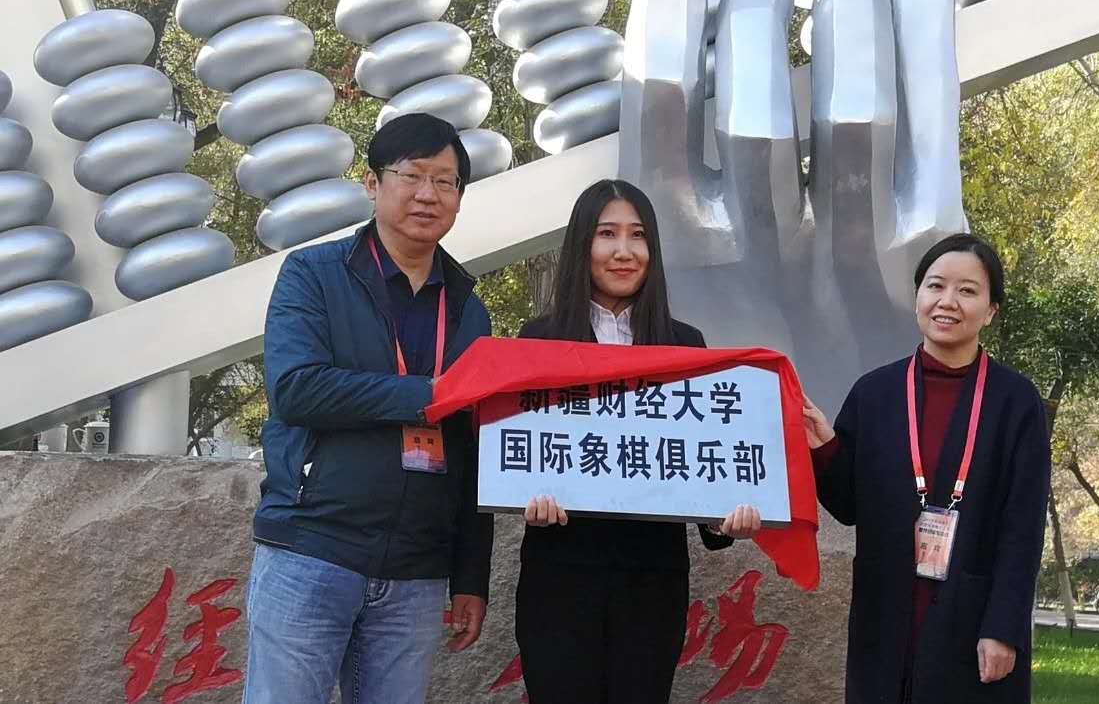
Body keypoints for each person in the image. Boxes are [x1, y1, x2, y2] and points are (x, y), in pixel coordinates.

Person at [244, 113, 494, 704]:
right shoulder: (313, 274)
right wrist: (429, 394)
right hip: (313, 548)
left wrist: (470, 576)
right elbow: (296, 388)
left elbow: (473, 446)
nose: (428, 194)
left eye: (446, 181)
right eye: (412, 176)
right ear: (372, 183)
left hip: (416, 573)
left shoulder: (467, 307)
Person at [516, 179, 763, 703]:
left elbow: (699, 460)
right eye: (607, 234)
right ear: (582, 244)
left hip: (652, 579)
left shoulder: (684, 344)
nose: (624, 251)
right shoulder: (537, 341)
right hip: (560, 574)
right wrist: (523, 497)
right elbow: (519, 454)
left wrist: (721, 517)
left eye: (638, 235)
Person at [801, 233, 1050, 704]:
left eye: (967, 291)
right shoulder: (875, 393)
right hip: (885, 614)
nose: (947, 301)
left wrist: (1003, 628)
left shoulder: (1016, 402)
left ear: (991, 310)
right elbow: (850, 505)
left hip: (972, 619)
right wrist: (825, 448)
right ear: (917, 297)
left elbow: (1023, 528)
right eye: (935, 286)